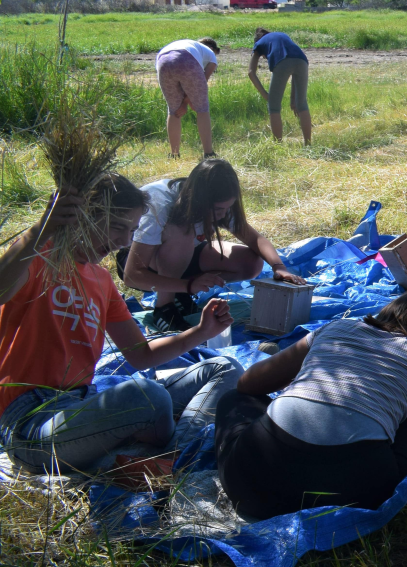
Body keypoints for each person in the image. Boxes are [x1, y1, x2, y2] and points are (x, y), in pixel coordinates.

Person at [0, 175, 239, 474]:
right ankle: (170, 458)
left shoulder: (101, 280)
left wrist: (201, 332)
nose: (124, 242)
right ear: (83, 215)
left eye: (132, 230)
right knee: (146, 396)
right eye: (117, 227)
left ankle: (174, 456)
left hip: (85, 404)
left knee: (224, 368)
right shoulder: (38, 257)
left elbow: (141, 355)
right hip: (32, 422)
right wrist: (42, 229)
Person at [215, 290, 407, 520]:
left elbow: (248, 384)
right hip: (352, 493)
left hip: (249, 485)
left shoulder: (338, 328)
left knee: (233, 398)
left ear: (387, 311)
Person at [121, 158, 306, 333]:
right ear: (199, 200)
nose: (223, 215)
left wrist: (279, 266)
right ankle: (165, 308)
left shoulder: (218, 203)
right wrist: (188, 285)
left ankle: (178, 292)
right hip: (144, 263)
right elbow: (132, 275)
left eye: (228, 208)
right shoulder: (159, 204)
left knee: (251, 263)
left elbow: (255, 239)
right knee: (182, 231)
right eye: (218, 209)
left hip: (182, 256)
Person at [155, 37, 221, 159]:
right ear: (213, 49)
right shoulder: (211, 55)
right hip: (187, 60)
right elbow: (202, 82)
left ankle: (174, 154)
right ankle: (208, 153)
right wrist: (186, 102)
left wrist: (184, 102)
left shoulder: (191, 46)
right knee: (202, 109)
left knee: (173, 110)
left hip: (162, 60)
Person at [248, 28, 312, 145]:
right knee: (302, 104)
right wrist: (293, 100)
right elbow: (294, 67)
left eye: (263, 56)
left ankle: (278, 145)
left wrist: (266, 96)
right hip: (302, 60)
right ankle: (308, 144)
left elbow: (251, 72)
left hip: (282, 61)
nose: (264, 57)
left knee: (274, 107)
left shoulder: (259, 44)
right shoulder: (282, 35)